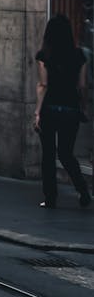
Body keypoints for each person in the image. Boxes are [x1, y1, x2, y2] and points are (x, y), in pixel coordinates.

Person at [34, 14, 91, 209]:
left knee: (48, 155)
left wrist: (37, 113)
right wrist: (82, 106)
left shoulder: (44, 55)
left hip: (50, 109)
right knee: (66, 154)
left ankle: (50, 198)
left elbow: (43, 85)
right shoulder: (79, 56)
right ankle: (83, 190)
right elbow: (82, 86)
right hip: (70, 109)